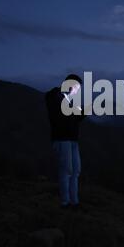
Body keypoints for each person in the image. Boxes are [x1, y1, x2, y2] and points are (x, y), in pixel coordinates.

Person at [45, 74, 86, 209]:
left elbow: (74, 119)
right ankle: (65, 202)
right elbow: (63, 117)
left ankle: (74, 202)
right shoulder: (55, 96)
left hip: (72, 140)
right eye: (76, 87)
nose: (77, 90)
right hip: (62, 139)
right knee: (66, 170)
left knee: (75, 171)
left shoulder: (67, 100)